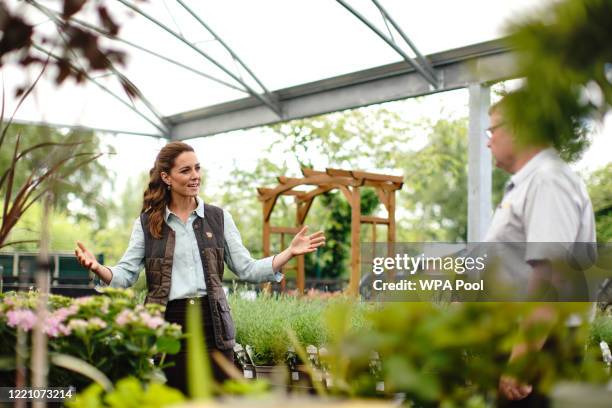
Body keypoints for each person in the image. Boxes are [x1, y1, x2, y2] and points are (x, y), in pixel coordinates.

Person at [74, 141, 325, 395]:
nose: (195, 176)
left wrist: (289, 252)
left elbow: (247, 269)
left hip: (213, 325)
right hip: (169, 325)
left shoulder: (219, 219)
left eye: (197, 168)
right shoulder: (148, 223)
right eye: (185, 171)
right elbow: (125, 275)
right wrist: (97, 268)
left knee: (218, 399)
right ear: (166, 177)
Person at [484, 96, 596, 406]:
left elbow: (550, 276)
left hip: (541, 349)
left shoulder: (548, 181)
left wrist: (523, 357)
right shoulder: (528, 185)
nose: (488, 142)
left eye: (491, 131)